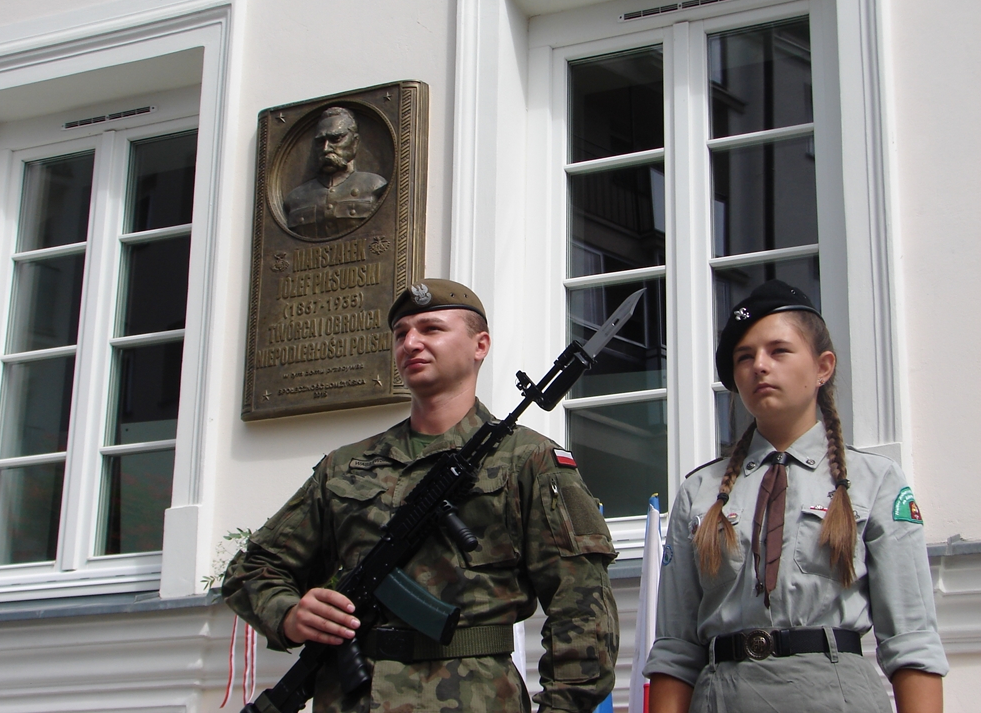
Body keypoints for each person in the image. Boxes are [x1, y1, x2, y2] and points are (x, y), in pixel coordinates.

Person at [223, 279, 619, 713]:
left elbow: (583, 609)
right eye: (400, 334)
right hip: (353, 698)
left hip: (473, 699)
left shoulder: (528, 460)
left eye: (431, 329)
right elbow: (252, 570)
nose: (411, 342)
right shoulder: (347, 466)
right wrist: (289, 615)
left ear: (479, 344)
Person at [643, 280, 948, 713]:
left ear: (823, 366)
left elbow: (911, 640)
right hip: (723, 699)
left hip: (837, 699)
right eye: (743, 357)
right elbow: (675, 649)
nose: (759, 367)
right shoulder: (700, 493)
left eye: (778, 351)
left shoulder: (876, 482)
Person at [283, 106, 388, 240]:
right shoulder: (295, 199)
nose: (326, 148)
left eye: (336, 139)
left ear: (355, 142)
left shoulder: (375, 186)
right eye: (320, 142)